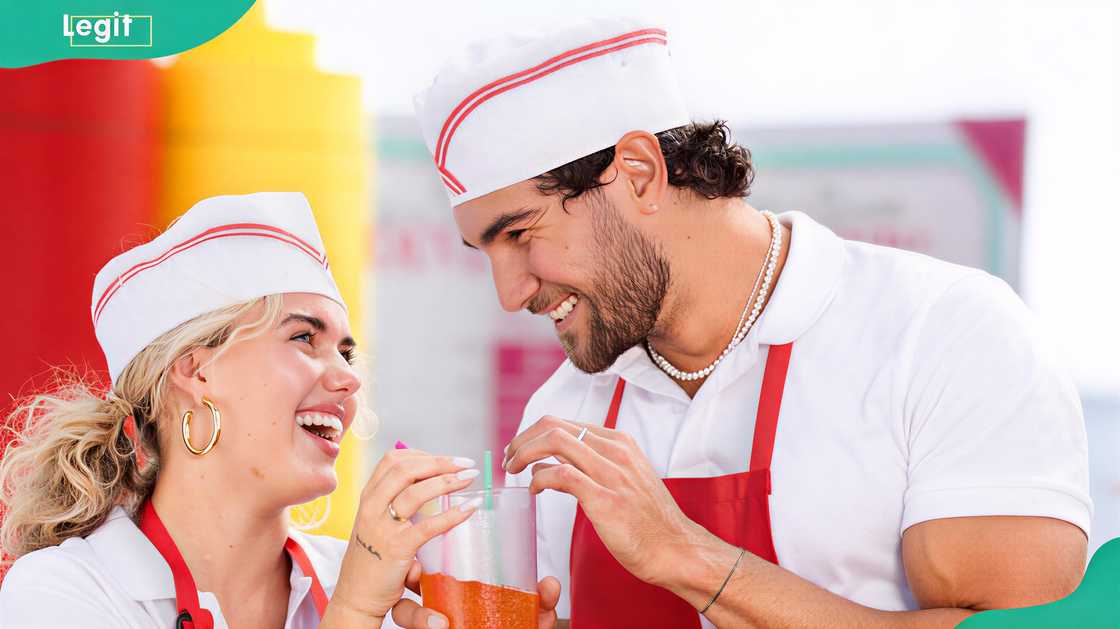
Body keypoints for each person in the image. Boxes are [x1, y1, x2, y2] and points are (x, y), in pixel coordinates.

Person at [410, 17, 1093, 628]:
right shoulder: (564, 413)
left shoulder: (944, 336)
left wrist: (687, 557)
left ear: (642, 173)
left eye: (522, 234)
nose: (508, 291)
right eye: (486, 254)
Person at [0, 193, 560, 629]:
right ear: (197, 373)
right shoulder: (64, 591)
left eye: (346, 352)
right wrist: (354, 613)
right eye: (302, 339)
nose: (347, 378)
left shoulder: (391, 591)